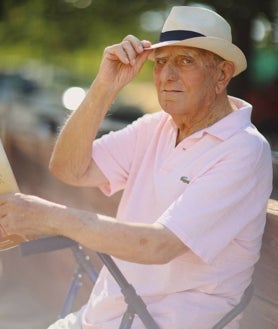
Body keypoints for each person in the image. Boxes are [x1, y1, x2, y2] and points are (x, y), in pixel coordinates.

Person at [0, 6, 273, 329]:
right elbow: (69, 169)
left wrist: (48, 217)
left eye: (185, 61)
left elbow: (159, 245)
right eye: (161, 62)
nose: (167, 75)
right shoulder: (156, 127)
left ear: (222, 74)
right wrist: (105, 85)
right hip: (105, 316)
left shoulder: (243, 149)